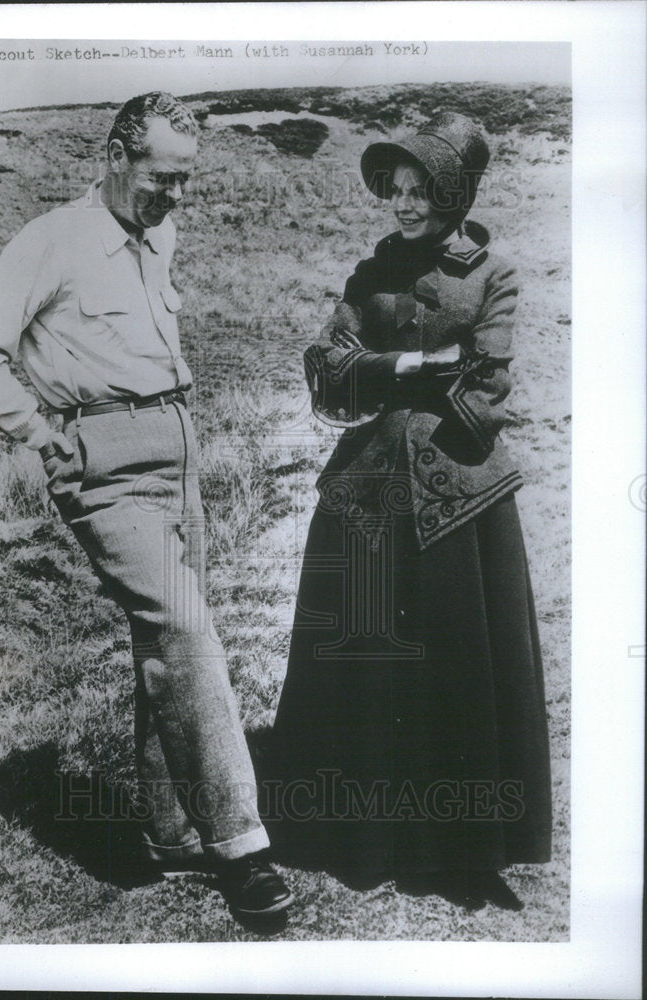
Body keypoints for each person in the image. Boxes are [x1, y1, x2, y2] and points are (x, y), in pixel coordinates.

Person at [0, 91, 293, 920]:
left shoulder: (159, 234)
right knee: (186, 629)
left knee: (166, 640)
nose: (174, 196)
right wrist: (38, 434)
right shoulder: (51, 239)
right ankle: (242, 845)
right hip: (102, 465)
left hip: (178, 451)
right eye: (160, 177)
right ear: (116, 155)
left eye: (185, 180)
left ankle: (172, 835)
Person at [270, 112, 551, 910]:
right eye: (394, 189)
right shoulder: (371, 272)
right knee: (361, 661)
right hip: (365, 488)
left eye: (420, 189)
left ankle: (455, 844)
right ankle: (353, 831)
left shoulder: (495, 275)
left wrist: (387, 371)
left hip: (460, 497)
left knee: (454, 661)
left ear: (454, 194)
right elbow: (329, 362)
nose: (403, 203)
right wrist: (414, 363)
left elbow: (487, 387)